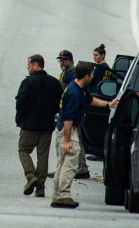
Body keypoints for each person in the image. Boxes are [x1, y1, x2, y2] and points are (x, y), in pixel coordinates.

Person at [51, 62, 119, 209]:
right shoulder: (74, 93)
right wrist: (67, 141)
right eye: (92, 74)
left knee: (62, 164)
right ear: (87, 76)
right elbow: (68, 119)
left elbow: (90, 100)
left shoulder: (80, 88)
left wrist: (108, 104)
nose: (93, 76)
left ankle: (56, 195)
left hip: (67, 128)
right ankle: (63, 195)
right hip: (68, 129)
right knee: (70, 164)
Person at [15, 54, 63, 198]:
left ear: (36, 66)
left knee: (23, 150)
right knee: (43, 157)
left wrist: (20, 118)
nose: (27, 67)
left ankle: (31, 176)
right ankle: (40, 189)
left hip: (29, 125)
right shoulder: (54, 83)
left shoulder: (28, 82)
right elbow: (59, 102)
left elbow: (20, 102)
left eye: (29, 65)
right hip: (47, 126)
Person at [55, 49, 89, 179]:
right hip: (67, 112)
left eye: (65, 59)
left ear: (71, 61)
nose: (62, 62)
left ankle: (79, 169)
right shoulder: (66, 73)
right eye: (61, 60)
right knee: (73, 142)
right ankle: (79, 168)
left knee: (72, 142)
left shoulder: (72, 75)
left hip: (71, 114)